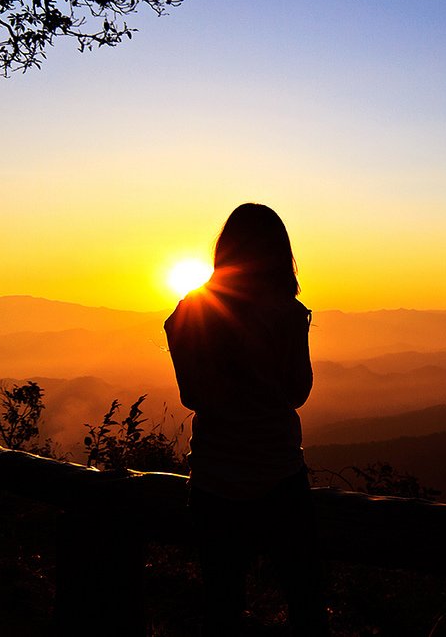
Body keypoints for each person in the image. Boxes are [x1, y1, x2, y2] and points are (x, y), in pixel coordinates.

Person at [164, 203, 327, 636]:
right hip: (279, 475)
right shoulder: (288, 314)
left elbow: (191, 396)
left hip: (214, 479)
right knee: (305, 602)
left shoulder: (188, 311)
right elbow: (298, 392)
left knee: (222, 606)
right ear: (279, 253)